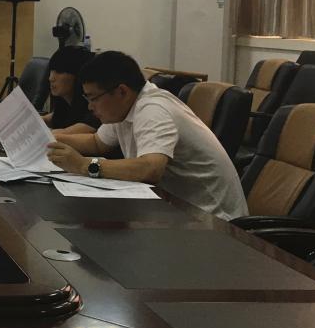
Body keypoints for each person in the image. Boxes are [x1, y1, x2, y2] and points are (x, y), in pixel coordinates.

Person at [46, 51, 247, 220]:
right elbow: (97, 142)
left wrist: (83, 165)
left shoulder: (153, 109)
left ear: (121, 92)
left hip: (213, 220)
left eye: (93, 98)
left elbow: (150, 168)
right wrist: (48, 137)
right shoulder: (124, 108)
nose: (90, 107)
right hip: (174, 210)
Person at [41, 46, 100, 135]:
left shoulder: (94, 110)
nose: (51, 78)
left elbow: (60, 134)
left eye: (59, 72)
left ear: (78, 75)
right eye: (51, 71)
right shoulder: (66, 102)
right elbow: (52, 117)